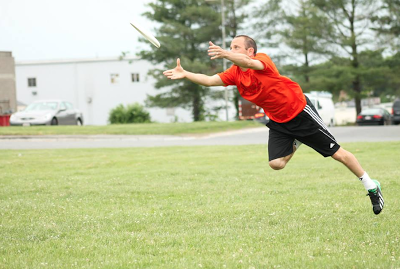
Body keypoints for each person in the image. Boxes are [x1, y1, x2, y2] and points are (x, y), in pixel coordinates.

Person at [163, 35, 384, 215]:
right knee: (276, 164)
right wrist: (185, 74)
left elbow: (249, 63)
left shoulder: (262, 61)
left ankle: (371, 186)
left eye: (236, 47)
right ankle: (297, 141)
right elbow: (211, 80)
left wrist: (225, 53)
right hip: (279, 121)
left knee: (338, 154)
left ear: (250, 50)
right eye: (230, 47)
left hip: (300, 112)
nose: (231, 49)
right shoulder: (235, 73)